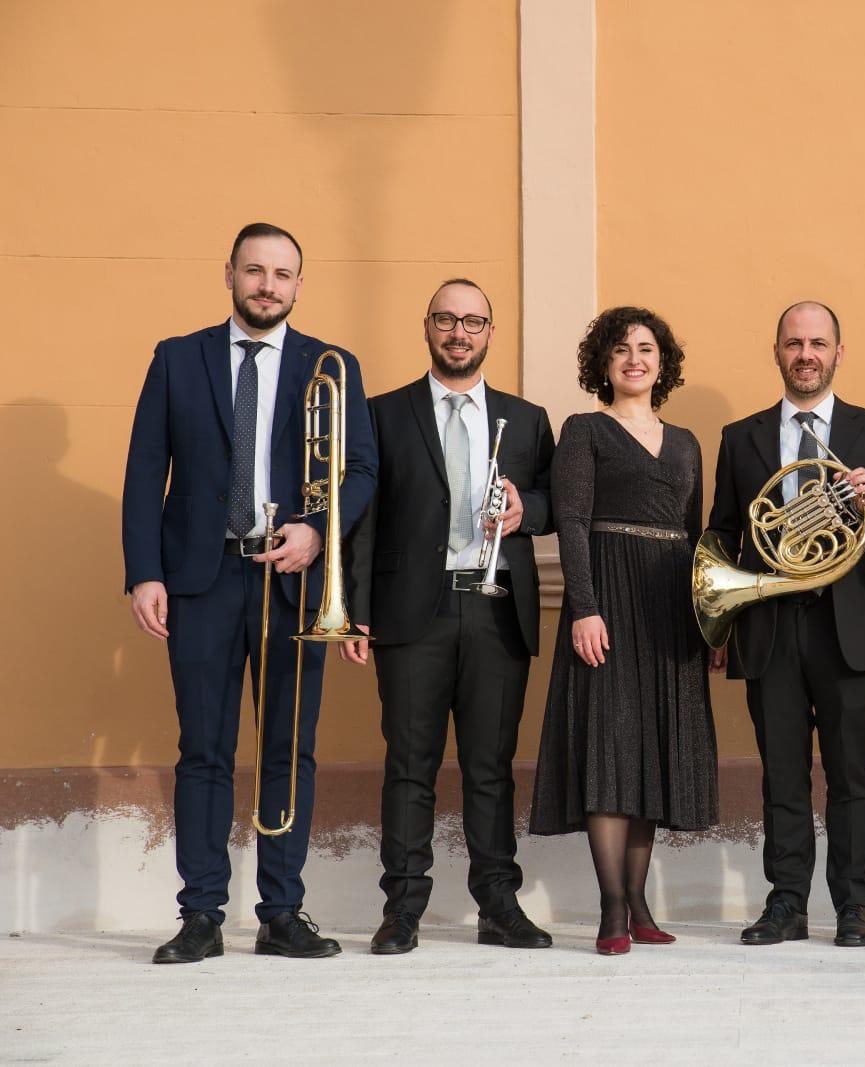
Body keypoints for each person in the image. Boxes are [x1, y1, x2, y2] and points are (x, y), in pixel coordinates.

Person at [123, 222, 377, 964]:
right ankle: (201, 914)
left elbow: (361, 468)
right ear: (229, 273)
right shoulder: (178, 358)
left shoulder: (331, 364)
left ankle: (282, 912)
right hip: (201, 581)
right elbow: (145, 470)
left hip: (291, 581)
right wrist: (145, 571)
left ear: (299, 284)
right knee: (203, 748)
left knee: (288, 751)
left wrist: (317, 531)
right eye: (255, 270)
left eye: (283, 273)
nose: (268, 285)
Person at [341, 279, 556, 954]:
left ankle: (498, 905)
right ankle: (403, 909)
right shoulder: (382, 413)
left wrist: (526, 510)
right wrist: (354, 610)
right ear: (428, 326)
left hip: (497, 610)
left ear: (490, 331)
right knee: (410, 765)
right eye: (446, 319)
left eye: (472, 321)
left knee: (492, 767)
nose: (459, 332)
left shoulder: (527, 418)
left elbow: (553, 499)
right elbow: (363, 520)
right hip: (413, 613)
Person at [706, 301, 865, 949]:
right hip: (769, 623)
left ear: (838, 352)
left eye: (818, 343)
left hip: (847, 625)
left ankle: (853, 905)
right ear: (777, 352)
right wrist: (719, 623)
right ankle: (786, 902)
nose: (806, 354)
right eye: (794, 343)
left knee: (852, 775)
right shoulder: (741, 436)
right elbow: (724, 531)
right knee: (782, 775)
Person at [530, 306, 718, 955]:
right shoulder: (583, 430)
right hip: (607, 599)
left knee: (652, 748)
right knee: (609, 745)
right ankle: (611, 908)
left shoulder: (687, 442)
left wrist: (710, 622)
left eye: (646, 349)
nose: (634, 359)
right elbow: (572, 522)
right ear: (603, 364)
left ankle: (639, 903)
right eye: (621, 350)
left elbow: (697, 537)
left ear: (662, 363)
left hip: (671, 606)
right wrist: (584, 607)